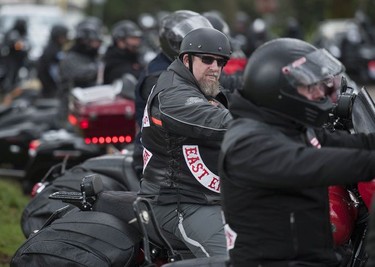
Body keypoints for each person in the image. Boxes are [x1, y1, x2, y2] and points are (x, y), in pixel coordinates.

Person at [218, 37, 375, 267]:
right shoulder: (247, 143)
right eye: (310, 87)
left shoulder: (291, 127)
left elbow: (352, 144)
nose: (320, 93)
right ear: (278, 90)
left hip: (311, 257)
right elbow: (317, 163)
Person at [138, 27, 232, 258]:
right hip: (179, 202)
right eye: (207, 59)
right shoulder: (172, 93)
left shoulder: (196, 85)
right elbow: (218, 121)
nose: (215, 67)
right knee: (236, 259)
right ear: (187, 59)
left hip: (207, 196)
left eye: (220, 62)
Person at [132, 10, 214, 178]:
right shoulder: (158, 76)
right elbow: (189, 110)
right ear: (177, 45)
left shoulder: (187, 69)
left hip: (183, 149)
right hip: (160, 159)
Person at [103, 20, 144, 84]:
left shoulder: (136, 58)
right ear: (120, 41)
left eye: (137, 39)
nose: (137, 42)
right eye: (133, 38)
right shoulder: (113, 63)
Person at [36, 24, 69, 98]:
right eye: (63, 37)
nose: (65, 39)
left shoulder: (55, 48)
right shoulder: (53, 50)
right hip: (50, 87)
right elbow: (54, 71)